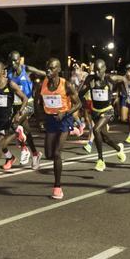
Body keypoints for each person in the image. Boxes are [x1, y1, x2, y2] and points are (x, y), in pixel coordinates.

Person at [37, 58, 81, 199]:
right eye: (47, 68)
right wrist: (41, 119)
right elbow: (38, 101)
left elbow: (79, 104)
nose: (48, 70)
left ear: (59, 70)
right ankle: (72, 130)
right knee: (48, 154)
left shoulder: (66, 85)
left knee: (57, 153)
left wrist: (65, 113)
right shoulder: (42, 84)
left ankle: (57, 187)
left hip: (64, 118)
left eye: (52, 68)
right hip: (51, 119)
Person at [0, 61, 31, 186]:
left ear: (3, 72)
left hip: (8, 118)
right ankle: (12, 153)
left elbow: (24, 99)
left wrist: (18, 113)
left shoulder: (10, 84)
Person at [82, 58, 127, 171]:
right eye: (95, 70)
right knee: (105, 138)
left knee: (96, 130)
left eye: (99, 70)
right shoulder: (90, 78)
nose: (97, 73)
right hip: (95, 110)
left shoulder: (110, 78)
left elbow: (124, 79)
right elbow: (80, 93)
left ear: (105, 68)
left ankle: (100, 160)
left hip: (107, 110)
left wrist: (127, 95)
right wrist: (87, 88)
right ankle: (118, 148)